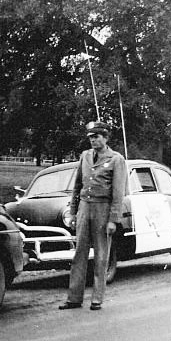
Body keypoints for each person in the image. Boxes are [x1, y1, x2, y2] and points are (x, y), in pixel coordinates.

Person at [59, 121, 128, 311]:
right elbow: (77, 186)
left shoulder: (116, 159)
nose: (93, 141)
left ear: (105, 138)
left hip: (102, 209)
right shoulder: (85, 156)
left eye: (96, 137)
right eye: (90, 138)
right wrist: (73, 212)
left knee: (101, 255)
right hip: (84, 207)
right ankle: (74, 298)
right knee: (79, 253)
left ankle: (97, 298)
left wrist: (113, 219)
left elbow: (118, 192)